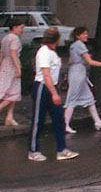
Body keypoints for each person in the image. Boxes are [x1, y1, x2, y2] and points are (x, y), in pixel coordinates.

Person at [28, 27, 78, 162]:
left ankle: (62, 149)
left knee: (59, 118)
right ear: (57, 39)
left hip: (51, 87)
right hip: (42, 87)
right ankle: (33, 150)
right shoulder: (44, 52)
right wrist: (54, 93)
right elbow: (45, 74)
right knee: (38, 120)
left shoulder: (52, 52)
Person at [64, 27, 101, 133]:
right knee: (72, 99)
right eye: (83, 34)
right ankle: (65, 124)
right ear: (78, 36)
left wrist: (82, 58)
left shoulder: (73, 46)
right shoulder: (80, 45)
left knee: (89, 99)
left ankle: (98, 122)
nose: (86, 35)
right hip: (78, 73)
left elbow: (70, 61)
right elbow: (90, 62)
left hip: (76, 71)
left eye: (86, 33)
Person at [0, 20, 25, 126]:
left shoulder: (5, 38)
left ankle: (9, 116)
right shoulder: (14, 38)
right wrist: (18, 68)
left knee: (12, 91)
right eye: (21, 27)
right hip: (11, 66)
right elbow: (13, 53)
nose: (22, 30)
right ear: (14, 27)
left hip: (5, 65)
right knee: (13, 92)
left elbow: (1, 54)